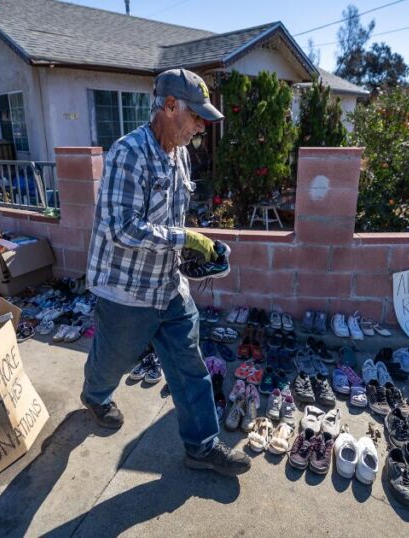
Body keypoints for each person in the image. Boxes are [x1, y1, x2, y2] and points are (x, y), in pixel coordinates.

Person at [80, 68, 251, 476]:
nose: (200, 126)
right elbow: (121, 226)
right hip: (124, 289)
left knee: (190, 365)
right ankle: (95, 394)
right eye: (196, 117)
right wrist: (184, 239)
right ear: (170, 106)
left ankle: (202, 446)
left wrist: (194, 253)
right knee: (113, 360)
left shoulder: (181, 156)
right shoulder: (128, 152)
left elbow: (172, 223)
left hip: (168, 286)